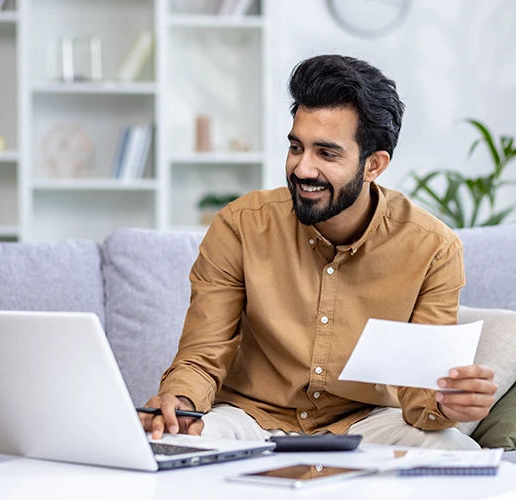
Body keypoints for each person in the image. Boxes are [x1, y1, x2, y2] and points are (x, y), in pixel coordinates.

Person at [140, 54, 496, 450]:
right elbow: (202, 355)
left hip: (365, 422)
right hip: (251, 417)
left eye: (326, 154)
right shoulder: (240, 226)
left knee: (459, 454)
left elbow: (420, 390)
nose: (302, 169)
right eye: (297, 147)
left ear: (373, 165)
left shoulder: (432, 249)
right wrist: (181, 402)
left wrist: (447, 401)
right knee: (175, 444)